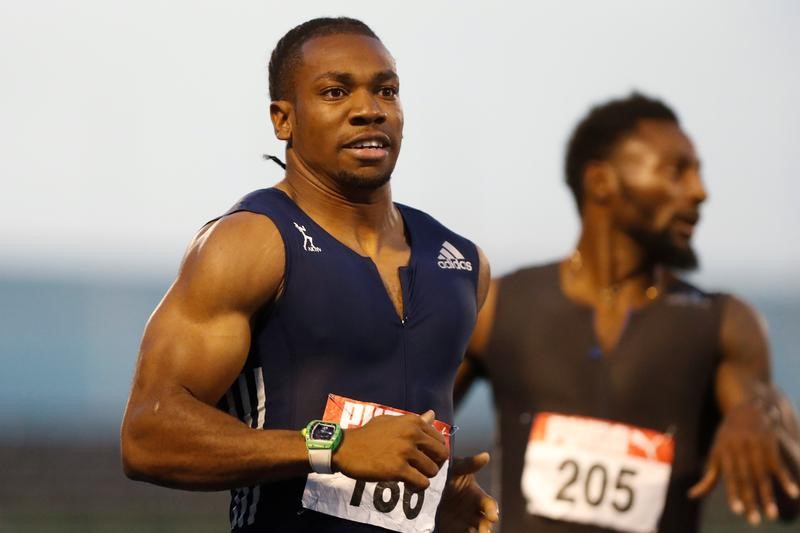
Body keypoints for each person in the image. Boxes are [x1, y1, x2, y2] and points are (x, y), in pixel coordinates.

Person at [121, 17, 498, 533]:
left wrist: (434, 491)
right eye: (336, 91)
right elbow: (148, 434)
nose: (369, 110)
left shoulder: (459, 261)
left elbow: (388, 439)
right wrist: (333, 447)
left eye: (386, 91)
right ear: (284, 119)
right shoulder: (251, 243)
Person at [455, 93, 800, 532]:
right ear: (601, 181)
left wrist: (763, 412)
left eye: (697, 172)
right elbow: (414, 431)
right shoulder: (498, 305)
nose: (699, 192)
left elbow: (785, 494)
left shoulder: (721, 323)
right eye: (676, 171)